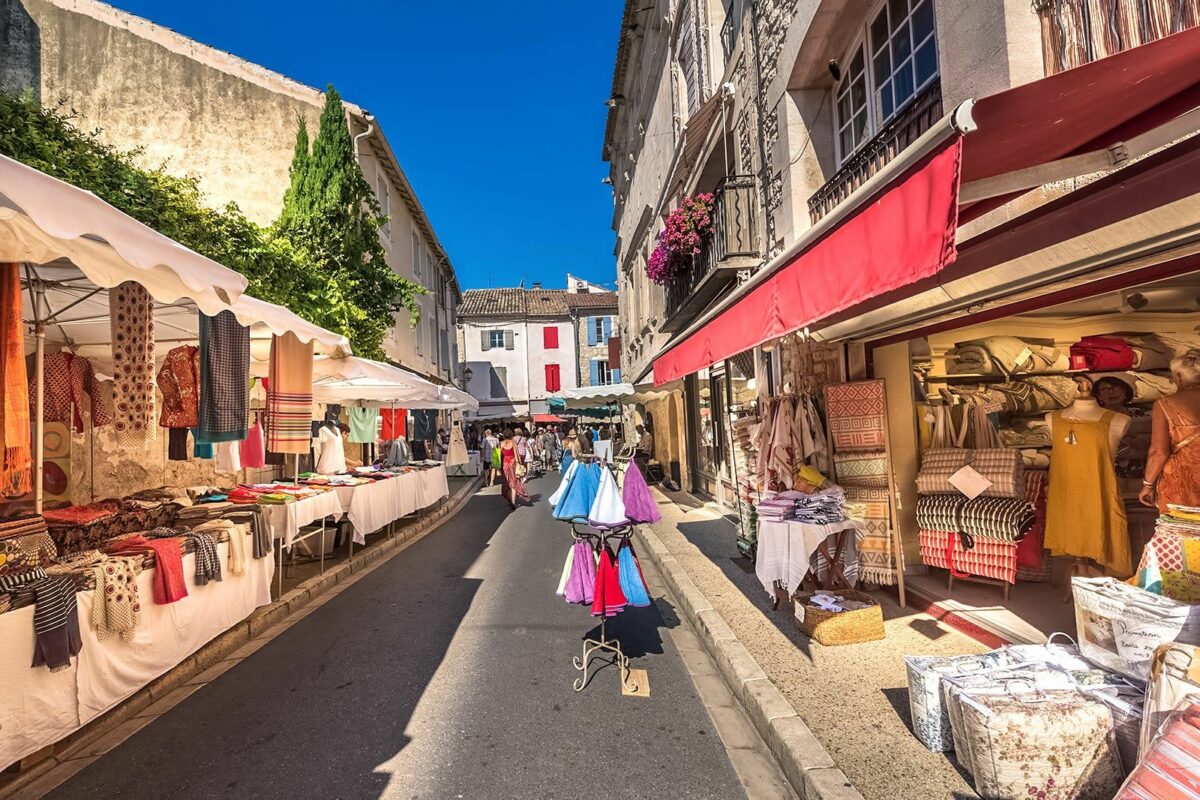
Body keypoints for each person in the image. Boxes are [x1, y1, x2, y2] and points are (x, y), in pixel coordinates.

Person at [1141, 350, 1200, 512]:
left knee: (1184, 533)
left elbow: (1159, 452)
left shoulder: (1165, 404)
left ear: (1179, 377)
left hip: (1182, 485)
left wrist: (1148, 484)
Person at [499, 431, 530, 509]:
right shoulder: (513, 443)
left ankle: (509, 499)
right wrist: (519, 463)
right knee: (514, 481)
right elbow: (516, 455)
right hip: (512, 462)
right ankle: (513, 500)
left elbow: (500, 456)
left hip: (505, 463)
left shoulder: (501, 444)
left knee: (507, 482)